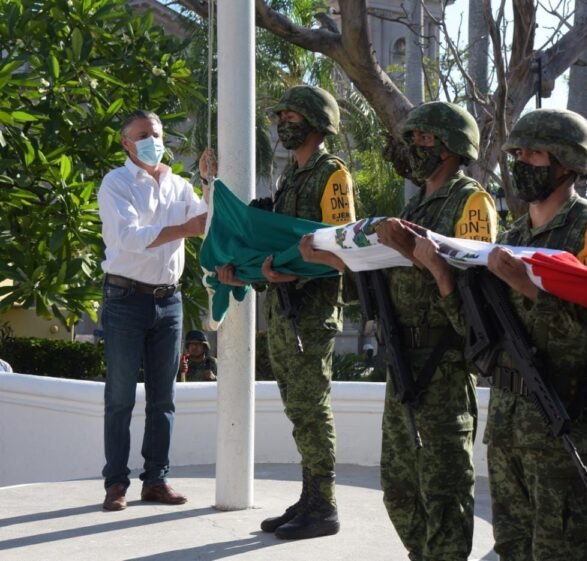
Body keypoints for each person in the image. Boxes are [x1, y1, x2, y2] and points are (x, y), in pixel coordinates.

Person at [301, 101, 498, 561]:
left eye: (423, 138)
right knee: (399, 488)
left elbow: (475, 293)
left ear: (451, 147)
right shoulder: (419, 205)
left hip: (444, 369)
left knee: (444, 493)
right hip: (402, 365)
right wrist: (329, 258)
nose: (412, 147)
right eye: (411, 138)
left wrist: (412, 251)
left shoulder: (471, 202)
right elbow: (381, 282)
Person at [441, 108, 587, 561]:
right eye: (518, 152)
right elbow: (479, 330)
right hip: (508, 424)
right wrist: (440, 274)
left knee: (560, 551)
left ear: (566, 163)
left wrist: (528, 287)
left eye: (535, 153)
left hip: (563, 421)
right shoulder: (513, 234)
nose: (522, 161)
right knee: (511, 549)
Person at [217, 85, 356, 540]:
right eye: (281, 115)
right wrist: (252, 271)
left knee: (312, 407)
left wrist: (286, 265)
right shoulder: (291, 178)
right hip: (284, 306)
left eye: (292, 115)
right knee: (299, 409)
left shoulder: (331, 173)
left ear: (316, 121)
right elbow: (277, 244)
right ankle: (310, 496)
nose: (282, 122)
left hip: (312, 310)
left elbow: (339, 242)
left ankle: (325, 505)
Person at [98, 109, 212, 511]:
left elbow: (205, 218)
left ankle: (156, 480)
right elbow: (129, 238)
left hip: (169, 300)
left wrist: (207, 180)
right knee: (120, 397)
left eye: (157, 133)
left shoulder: (177, 185)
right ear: (126, 143)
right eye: (143, 134)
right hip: (125, 300)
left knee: (164, 398)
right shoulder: (116, 183)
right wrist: (185, 229)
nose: (153, 140)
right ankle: (116, 484)